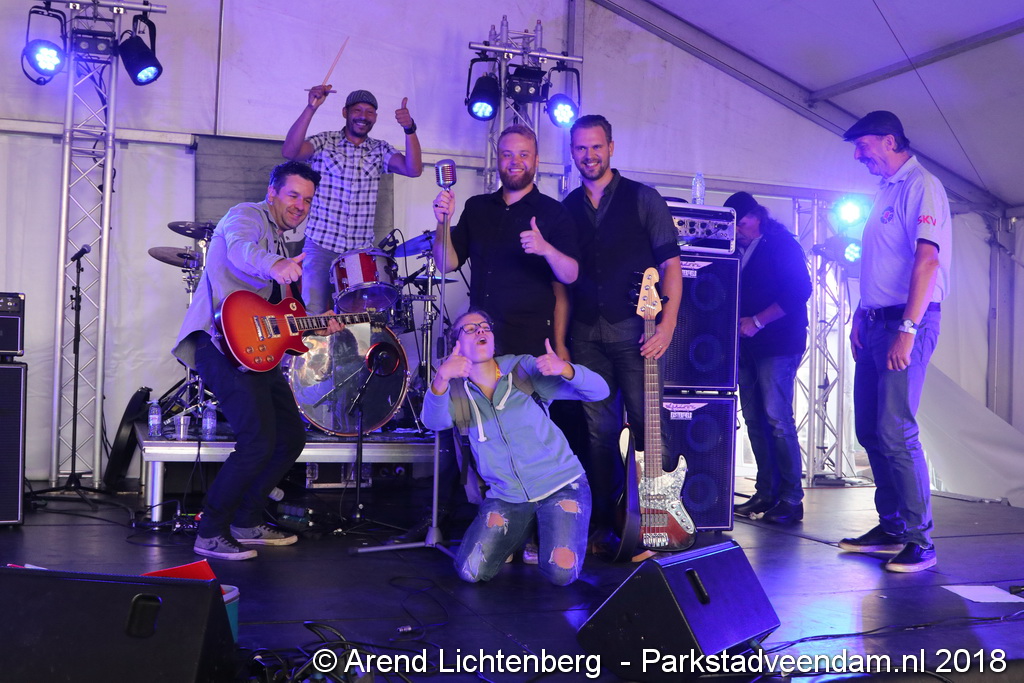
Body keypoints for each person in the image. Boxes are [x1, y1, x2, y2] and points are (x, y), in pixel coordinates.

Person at [173, 161, 344, 561]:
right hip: (220, 344)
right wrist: (275, 265)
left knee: (290, 437)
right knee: (256, 442)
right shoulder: (246, 215)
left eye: (307, 200)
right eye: (293, 195)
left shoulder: (284, 243)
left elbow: (280, 321)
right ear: (272, 193)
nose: (300, 205)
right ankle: (209, 532)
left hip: (257, 352)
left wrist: (318, 324)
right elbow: (239, 248)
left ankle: (246, 522)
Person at [561, 114, 682, 553]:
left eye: (596, 146)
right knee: (599, 433)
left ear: (611, 147)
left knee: (651, 427)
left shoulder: (644, 198)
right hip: (584, 335)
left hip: (638, 332)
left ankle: (658, 524)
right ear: (572, 153)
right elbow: (560, 280)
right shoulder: (567, 207)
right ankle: (609, 523)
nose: (589, 155)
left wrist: (667, 324)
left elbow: (671, 266)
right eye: (580, 148)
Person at [838, 110, 951, 573]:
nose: (858, 156)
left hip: (907, 323)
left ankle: (920, 540)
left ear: (889, 141)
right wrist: (859, 315)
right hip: (875, 321)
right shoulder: (886, 189)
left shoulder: (922, 184)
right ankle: (892, 526)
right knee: (869, 428)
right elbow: (880, 262)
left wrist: (907, 329)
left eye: (863, 146)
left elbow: (928, 261)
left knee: (896, 428)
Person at [420, 310, 609, 585]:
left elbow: (601, 391)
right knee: (470, 572)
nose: (480, 331)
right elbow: (433, 422)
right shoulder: (455, 389)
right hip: (507, 496)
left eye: (485, 326)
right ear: (455, 345)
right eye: (470, 329)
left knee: (562, 573)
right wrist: (441, 379)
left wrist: (566, 369)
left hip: (561, 485)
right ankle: (519, 531)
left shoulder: (522, 370)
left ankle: (540, 527)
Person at [432, 123, 579, 358]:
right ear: (498, 159)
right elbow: (445, 264)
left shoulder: (555, 212)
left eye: (523, 155)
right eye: (507, 154)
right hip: (481, 339)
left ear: (536, 160)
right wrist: (443, 223)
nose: (515, 161)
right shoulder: (476, 207)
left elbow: (571, 275)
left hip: (530, 343)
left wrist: (546, 250)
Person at [283, 86, 423, 315]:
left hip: (360, 253)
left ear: (375, 117)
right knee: (313, 313)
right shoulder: (325, 141)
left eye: (369, 112)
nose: (363, 116)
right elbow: (290, 152)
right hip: (320, 245)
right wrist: (311, 107)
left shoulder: (380, 149)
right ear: (345, 112)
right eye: (357, 110)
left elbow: (414, 169)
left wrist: (409, 128)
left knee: (355, 320)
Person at [724, 192, 811, 525]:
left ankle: (791, 498)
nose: (738, 230)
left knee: (777, 418)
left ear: (758, 216)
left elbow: (799, 290)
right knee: (755, 419)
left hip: (779, 343)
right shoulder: (739, 249)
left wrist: (758, 321)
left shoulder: (781, 245)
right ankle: (766, 492)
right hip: (749, 346)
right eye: (734, 225)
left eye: (743, 223)